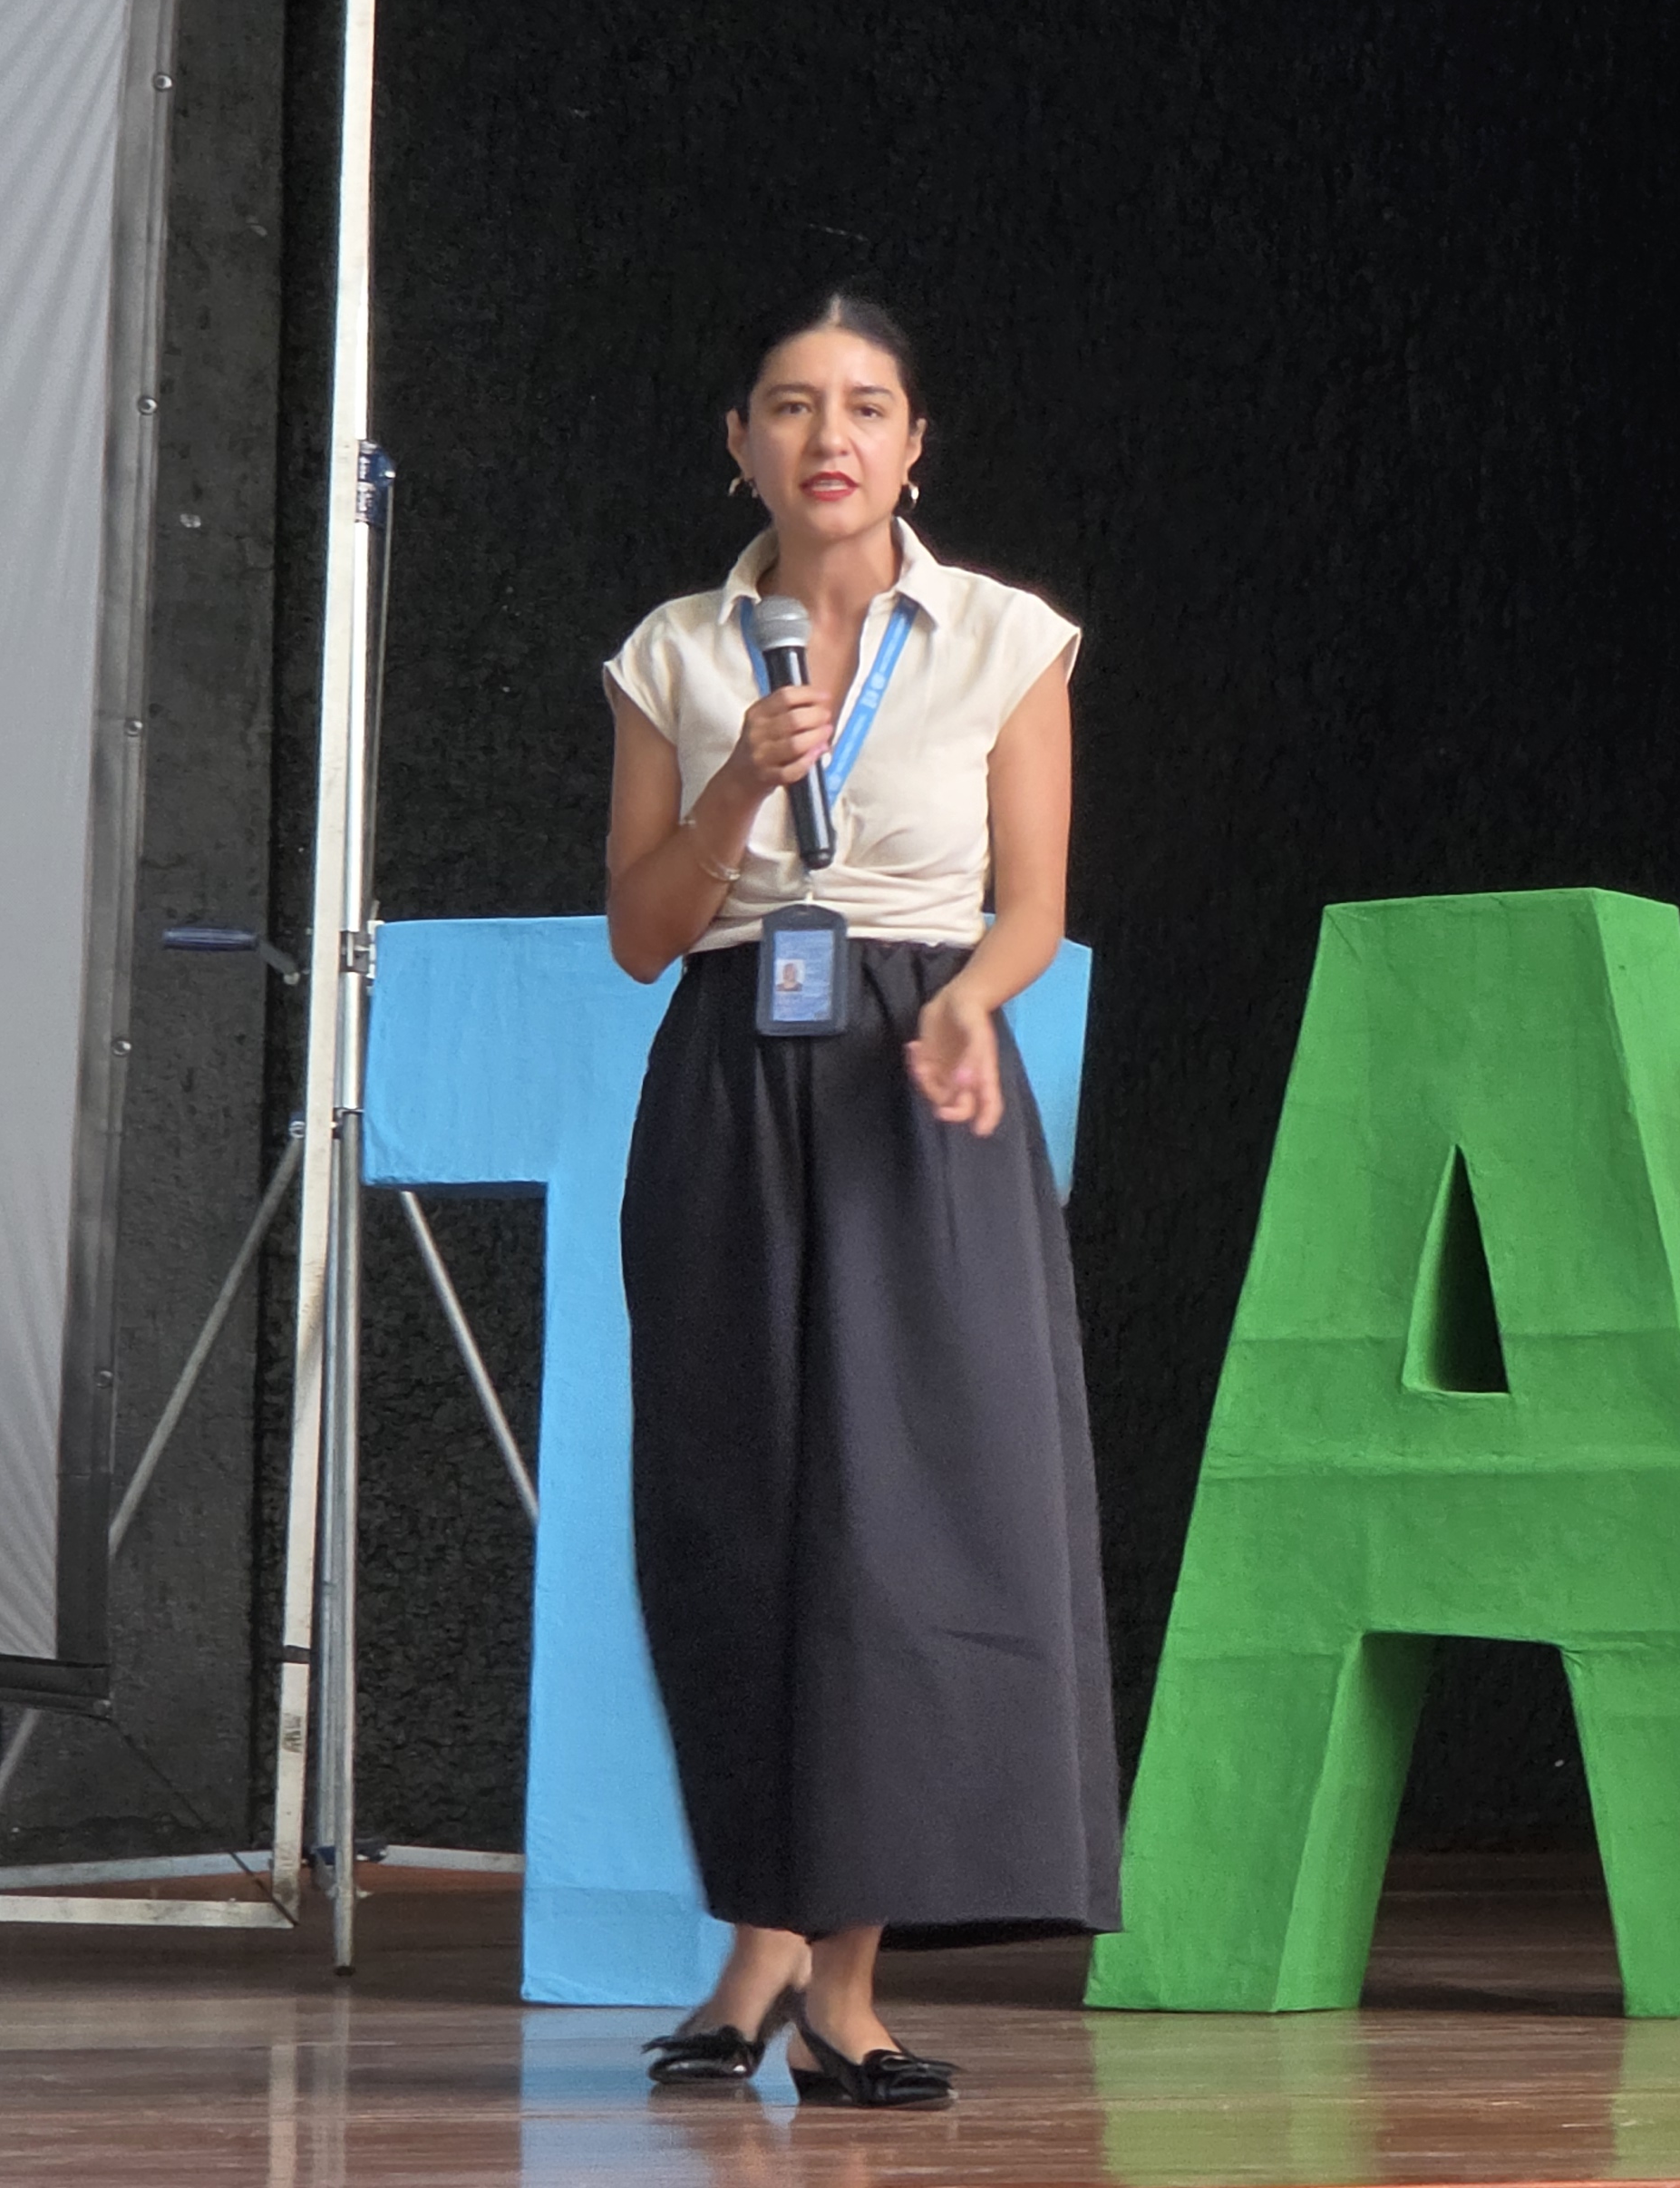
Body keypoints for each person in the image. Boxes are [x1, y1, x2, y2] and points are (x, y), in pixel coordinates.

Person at [600, 292, 1117, 2109]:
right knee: (740, 1512)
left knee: (900, 1530)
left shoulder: (1002, 640)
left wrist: (970, 1007)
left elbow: (1032, 907)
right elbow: (642, 935)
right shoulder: (676, 653)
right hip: (730, 1075)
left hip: (918, 1076)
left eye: (868, 405)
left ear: (913, 444)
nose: (831, 435)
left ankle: (846, 1986)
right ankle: (757, 1949)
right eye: (792, 404)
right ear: (738, 442)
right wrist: (740, 784)